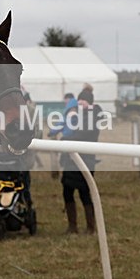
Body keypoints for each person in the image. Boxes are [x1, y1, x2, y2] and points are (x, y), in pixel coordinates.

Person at [52, 85, 102, 234]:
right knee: (67, 192)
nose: (80, 103)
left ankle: (90, 227)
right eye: (79, 100)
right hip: (72, 159)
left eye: (83, 100)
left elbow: (85, 135)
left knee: (84, 193)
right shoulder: (80, 115)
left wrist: (66, 139)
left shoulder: (93, 116)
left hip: (85, 159)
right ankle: (72, 226)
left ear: (89, 102)